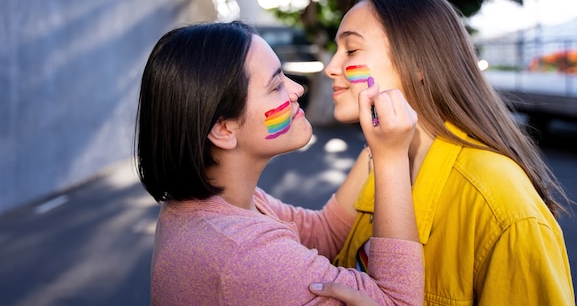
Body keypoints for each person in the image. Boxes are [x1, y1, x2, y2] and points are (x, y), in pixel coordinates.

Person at [135, 21, 425, 305]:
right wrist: (391, 158)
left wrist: (378, 142)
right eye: (276, 86)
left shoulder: (218, 203)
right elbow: (399, 301)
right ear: (223, 130)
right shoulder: (245, 254)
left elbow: (323, 232)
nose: (297, 89)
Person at [326, 0, 576, 305]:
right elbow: (323, 235)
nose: (331, 67)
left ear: (417, 63)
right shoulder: (380, 158)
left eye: (350, 50)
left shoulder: (501, 203)